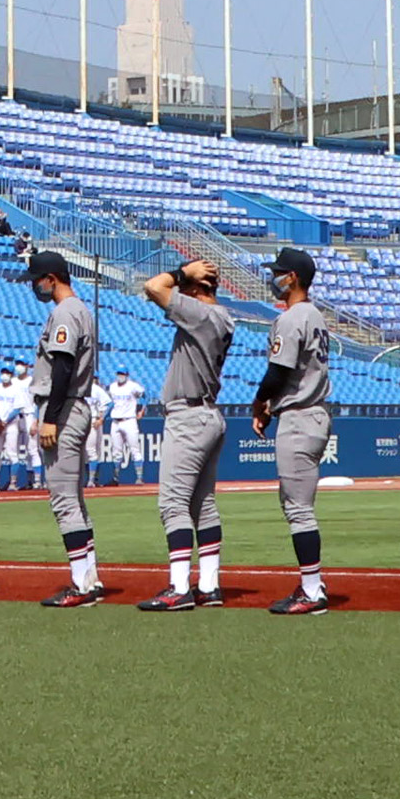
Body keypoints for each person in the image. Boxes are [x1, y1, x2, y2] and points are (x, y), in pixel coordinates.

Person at [131, 254, 239, 608]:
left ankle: (179, 588)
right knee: (203, 505)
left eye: (187, 286)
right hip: (207, 414)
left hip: (189, 416)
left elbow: (153, 287)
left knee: (173, 503)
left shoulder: (201, 313)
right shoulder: (222, 317)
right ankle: (209, 585)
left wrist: (181, 273)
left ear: (195, 288)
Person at [17, 247, 110, 605]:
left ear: (51, 279)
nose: (34, 287)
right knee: (76, 500)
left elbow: (62, 367)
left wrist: (51, 418)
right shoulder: (81, 309)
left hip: (65, 408)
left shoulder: (65, 311)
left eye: (36, 281)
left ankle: (81, 584)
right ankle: (90, 577)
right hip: (75, 405)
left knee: (64, 502)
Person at [251, 246, 339, 613]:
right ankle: (311, 583)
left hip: (300, 415)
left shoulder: (292, 319)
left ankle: (312, 589)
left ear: (294, 278)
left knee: (299, 509)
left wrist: (260, 403)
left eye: (280, 272)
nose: (275, 277)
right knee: (294, 505)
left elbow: (278, 371)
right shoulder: (315, 315)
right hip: (312, 412)